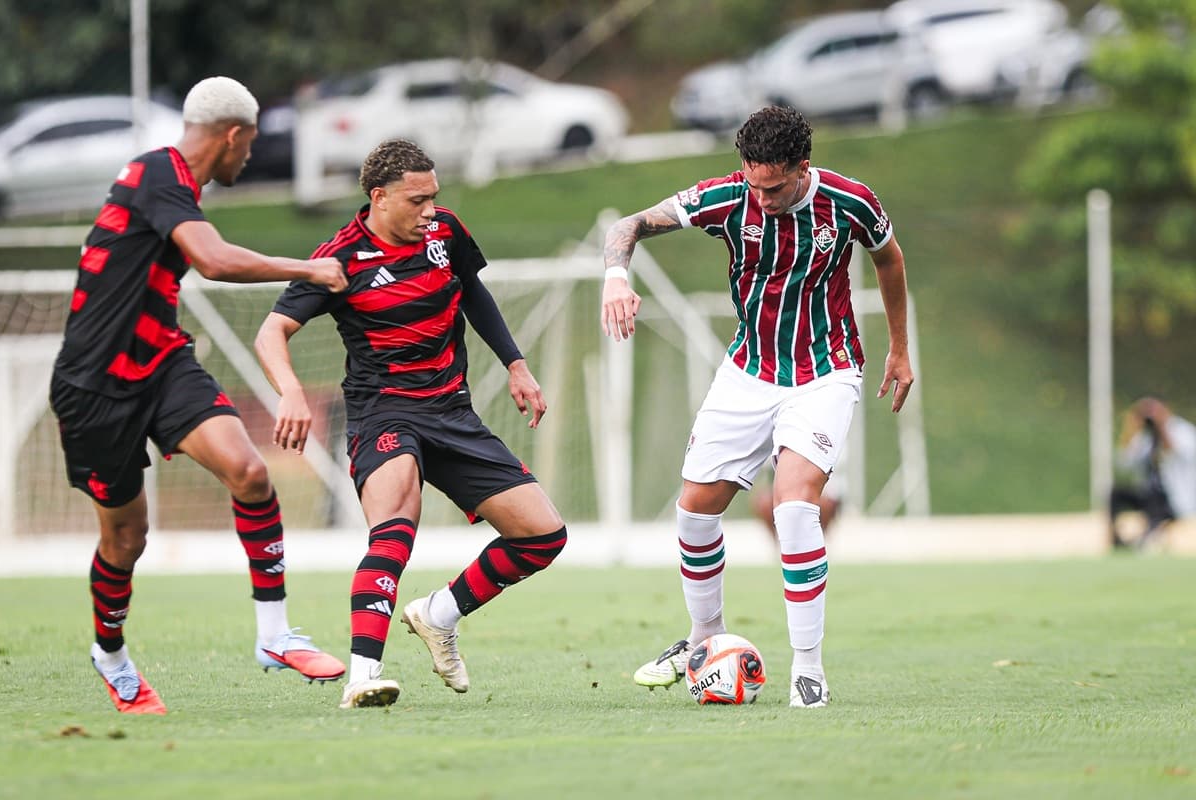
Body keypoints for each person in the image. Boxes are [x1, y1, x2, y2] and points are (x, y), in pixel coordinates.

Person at [49, 77, 349, 715]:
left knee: (248, 470)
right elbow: (211, 261)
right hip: (93, 387)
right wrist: (308, 267)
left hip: (160, 363)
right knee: (127, 540)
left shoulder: (176, 185)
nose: (248, 158)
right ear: (234, 136)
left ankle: (275, 637)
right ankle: (111, 655)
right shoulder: (159, 172)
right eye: (250, 145)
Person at [601, 106, 913, 708]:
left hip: (826, 370)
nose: (762, 198)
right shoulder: (727, 198)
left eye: (775, 186)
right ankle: (702, 642)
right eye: (753, 183)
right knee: (694, 510)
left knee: (796, 508)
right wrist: (616, 277)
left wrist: (899, 348)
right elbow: (628, 226)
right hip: (748, 371)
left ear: (803, 167)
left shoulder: (851, 202)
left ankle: (809, 670)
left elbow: (889, 258)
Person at [254, 138, 568, 710]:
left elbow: (473, 293)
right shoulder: (340, 259)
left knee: (544, 535)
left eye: (434, 197)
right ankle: (361, 677)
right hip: (385, 412)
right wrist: (292, 392)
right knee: (397, 522)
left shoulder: (445, 232)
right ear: (379, 197)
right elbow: (270, 333)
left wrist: (516, 365)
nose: (429, 210)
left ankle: (438, 614)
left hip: (452, 411)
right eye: (417, 199)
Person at [1109, 396, 1196, 549]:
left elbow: (1176, 454)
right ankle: (1117, 540)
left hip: (1173, 497)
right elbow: (1124, 464)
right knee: (1115, 493)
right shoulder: (1144, 437)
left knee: (1155, 499)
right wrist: (1132, 428)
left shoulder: (1183, 431)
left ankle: (1148, 539)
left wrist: (1162, 427)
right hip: (1148, 494)